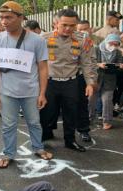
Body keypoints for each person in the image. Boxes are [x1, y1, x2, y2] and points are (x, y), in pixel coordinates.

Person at [0, 1, 53, 169]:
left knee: (34, 122)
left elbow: (43, 68)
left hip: (31, 90)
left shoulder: (37, 40)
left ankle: (38, 147)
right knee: (8, 124)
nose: (4, 21)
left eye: (8, 17)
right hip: (7, 91)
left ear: (20, 18)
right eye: (1, 18)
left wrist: (42, 93)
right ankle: (8, 153)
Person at [41, 9, 97, 152]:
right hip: (49, 82)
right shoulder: (43, 39)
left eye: (72, 25)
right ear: (56, 23)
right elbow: (35, 63)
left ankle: (70, 140)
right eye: (64, 25)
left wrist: (90, 83)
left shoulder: (83, 39)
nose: (68, 29)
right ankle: (41, 138)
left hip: (71, 81)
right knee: (46, 112)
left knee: (71, 112)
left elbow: (87, 62)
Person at [93, 34, 123, 130]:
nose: (113, 46)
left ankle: (107, 121)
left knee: (107, 100)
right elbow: (89, 63)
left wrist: (120, 66)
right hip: (95, 78)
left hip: (110, 79)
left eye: (116, 44)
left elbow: (119, 66)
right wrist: (99, 64)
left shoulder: (118, 52)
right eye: (112, 43)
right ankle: (88, 118)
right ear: (107, 41)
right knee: (91, 100)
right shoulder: (96, 49)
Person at [76, 19, 100, 142]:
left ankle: (84, 130)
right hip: (67, 77)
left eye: (85, 29)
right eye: (80, 29)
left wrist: (93, 80)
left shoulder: (93, 44)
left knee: (82, 104)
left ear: (90, 29)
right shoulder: (70, 41)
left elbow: (93, 63)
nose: (83, 32)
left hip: (83, 77)